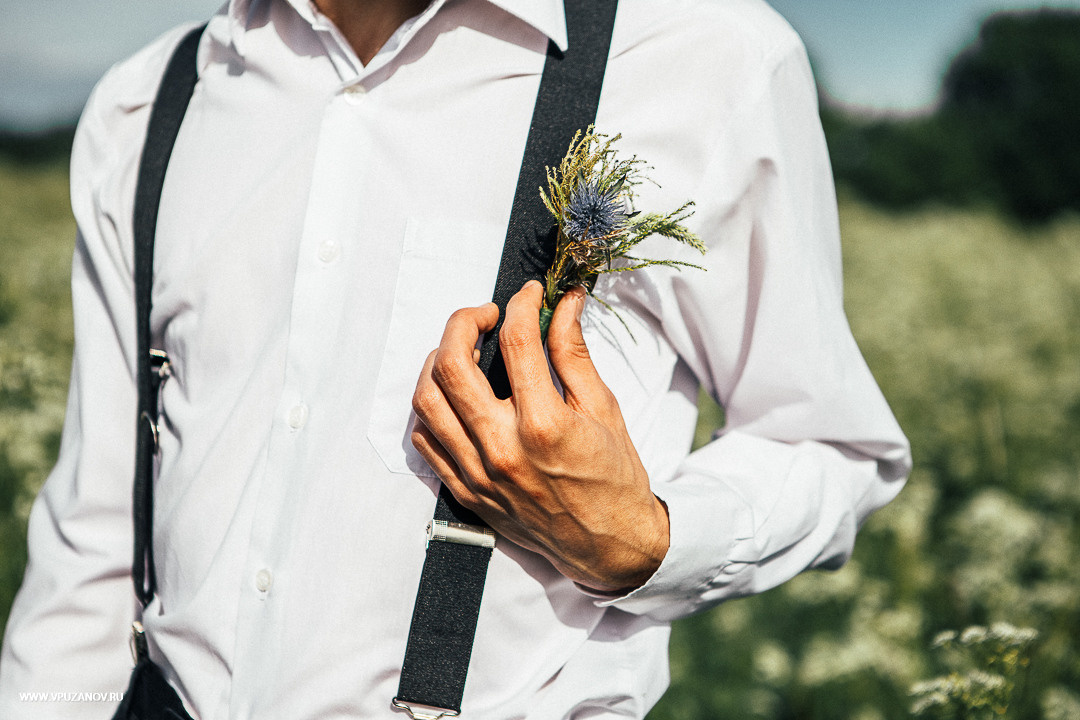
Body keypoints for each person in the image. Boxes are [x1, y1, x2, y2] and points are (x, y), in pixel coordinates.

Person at [0, 0, 911, 717]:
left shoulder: (711, 60)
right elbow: (94, 543)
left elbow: (830, 445)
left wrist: (648, 539)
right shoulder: (147, 103)